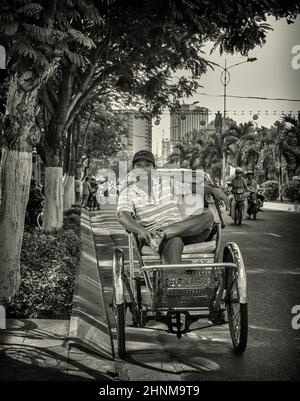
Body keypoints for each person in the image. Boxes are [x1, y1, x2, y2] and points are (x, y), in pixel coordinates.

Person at [117, 150, 228, 264]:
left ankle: (163, 233)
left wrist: (213, 190)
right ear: (133, 168)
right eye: (139, 165)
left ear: (154, 168)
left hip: (184, 232)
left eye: (147, 165)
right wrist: (142, 231)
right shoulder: (128, 192)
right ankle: (165, 240)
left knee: (207, 215)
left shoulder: (165, 182)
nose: (143, 169)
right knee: (174, 240)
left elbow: (191, 188)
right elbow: (123, 216)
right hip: (152, 236)